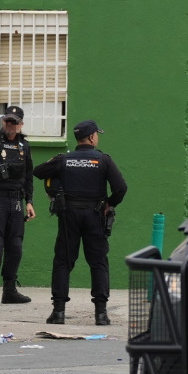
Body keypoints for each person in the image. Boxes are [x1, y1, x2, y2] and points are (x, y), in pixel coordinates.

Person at [33, 119, 127, 326]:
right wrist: (109, 204)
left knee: (63, 262)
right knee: (98, 262)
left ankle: (58, 312)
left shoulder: (63, 159)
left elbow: (38, 172)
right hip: (95, 215)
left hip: (69, 216)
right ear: (92, 137)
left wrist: (55, 167)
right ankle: (101, 314)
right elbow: (121, 188)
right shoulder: (103, 160)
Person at [0, 105, 37, 306]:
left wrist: (29, 201)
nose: (10, 125)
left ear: (21, 124)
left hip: (16, 200)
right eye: (7, 121)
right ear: (3, 121)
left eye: (14, 122)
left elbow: (28, 175)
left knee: (15, 246)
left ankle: (9, 289)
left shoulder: (24, 145)